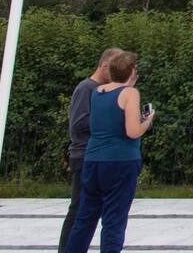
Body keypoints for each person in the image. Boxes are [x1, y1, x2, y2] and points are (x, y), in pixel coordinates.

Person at [62, 51, 153, 253]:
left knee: (85, 217)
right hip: (120, 160)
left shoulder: (97, 91)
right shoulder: (130, 93)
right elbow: (132, 131)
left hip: (93, 159)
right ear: (130, 73)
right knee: (114, 219)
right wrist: (147, 121)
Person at [59, 48, 124, 250]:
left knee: (92, 210)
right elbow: (78, 124)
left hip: (99, 156)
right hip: (83, 155)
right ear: (104, 66)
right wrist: (110, 120)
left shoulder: (102, 90)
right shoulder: (86, 88)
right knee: (79, 210)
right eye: (114, 69)